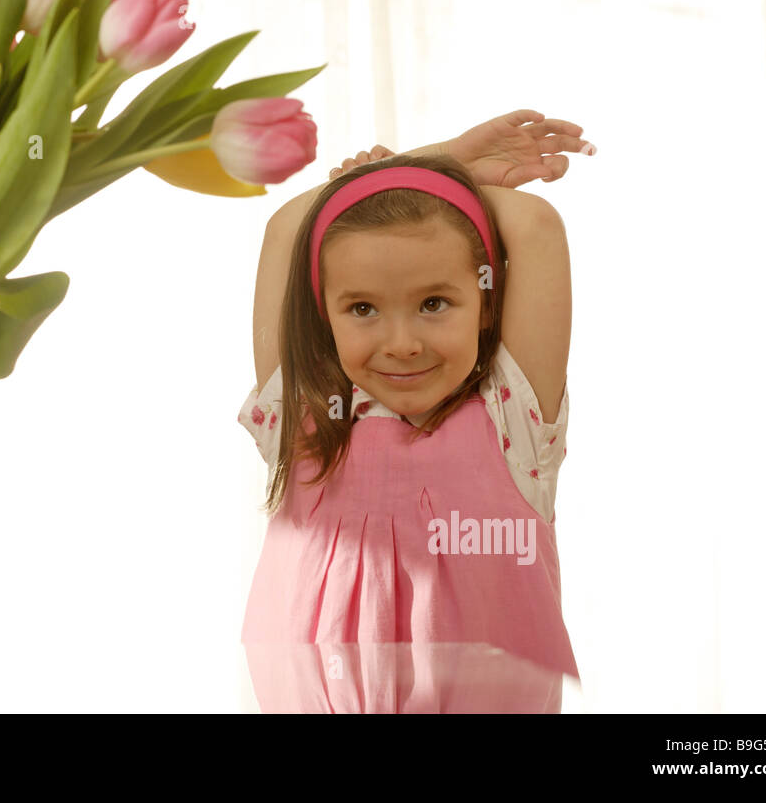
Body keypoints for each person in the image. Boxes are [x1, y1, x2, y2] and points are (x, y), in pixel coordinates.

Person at [237, 110, 596, 709]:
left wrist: (435, 177)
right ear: (324, 311)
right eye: (362, 309)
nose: (401, 342)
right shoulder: (304, 421)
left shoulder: (513, 423)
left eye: (434, 302)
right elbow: (287, 229)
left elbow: (535, 227)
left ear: (485, 305)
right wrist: (439, 162)